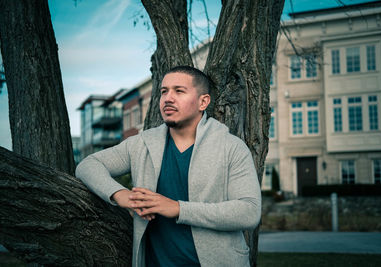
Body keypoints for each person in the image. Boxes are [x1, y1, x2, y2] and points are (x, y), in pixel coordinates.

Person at [76, 66, 261, 267]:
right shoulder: (142, 144)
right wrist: (121, 195)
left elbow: (249, 212)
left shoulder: (231, 147)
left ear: (203, 102)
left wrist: (178, 208)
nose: (168, 98)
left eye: (179, 91)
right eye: (164, 91)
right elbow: (88, 165)